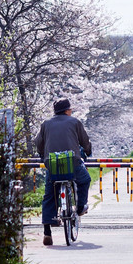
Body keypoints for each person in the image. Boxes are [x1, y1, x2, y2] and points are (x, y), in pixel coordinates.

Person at [34, 98, 92, 246]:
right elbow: (84, 140)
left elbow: (38, 143)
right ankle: (80, 208)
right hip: (72, 162)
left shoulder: (46, 124)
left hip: (53, 164)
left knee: (49, 194)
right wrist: (87, 151)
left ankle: (47, 231)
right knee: (84, 179)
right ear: (67, 110)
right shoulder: (74, 122)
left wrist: (43, 156)